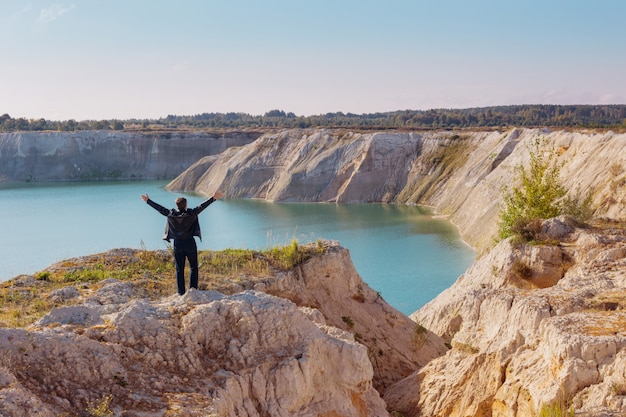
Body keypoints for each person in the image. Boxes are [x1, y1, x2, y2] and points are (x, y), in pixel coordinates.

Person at [141, 191, 224, 295]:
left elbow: (160, 209)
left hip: (178, 244)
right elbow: (202, 206)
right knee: (193, 267)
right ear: (186, 205)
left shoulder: (170, 214)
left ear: (177, 206)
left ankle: (181, 293)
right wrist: (213, 198)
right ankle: (193, 290)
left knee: (179, 269)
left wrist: (148, 201)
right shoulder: (191, 213)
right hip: (190, 243)